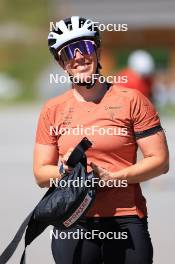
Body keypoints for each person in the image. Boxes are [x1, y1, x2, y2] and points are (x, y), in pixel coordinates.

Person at [33, 16, 169, 264]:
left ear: (97, 51)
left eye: (84, 47)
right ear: (61, 62)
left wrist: (114, 178)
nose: (79, 57)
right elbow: (41, 174)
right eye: (68, 52)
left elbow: (160, 161)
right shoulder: (53, 109)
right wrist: (65, 172)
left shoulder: (132, 100)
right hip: (73, 220)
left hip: (125, 218)